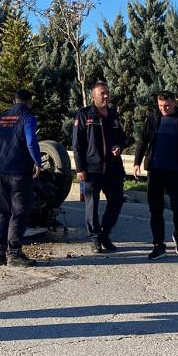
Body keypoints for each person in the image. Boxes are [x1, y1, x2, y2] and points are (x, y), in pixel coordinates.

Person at [133, 91, 178, 259]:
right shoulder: (153, 118)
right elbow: (143, 141)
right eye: (160, 106)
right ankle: (158, 245)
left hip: (175, 171)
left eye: (166, 105)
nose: (163, 109)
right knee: (155, 210)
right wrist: (137, 162)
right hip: (155, 170)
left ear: (174, 103)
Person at [0, 89, 42, 267]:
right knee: (19, 212)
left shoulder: (2, 117)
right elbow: (31, 141)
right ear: (29, 102)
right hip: (20, 173)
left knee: (5, 212)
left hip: (4, 172)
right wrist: (37, 162)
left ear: (13, 101)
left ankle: (0, 253)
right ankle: (14, 253)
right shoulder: (28, 117)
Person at [72, 81, 127, 253]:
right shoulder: (84, 115)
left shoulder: (113, 114)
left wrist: (119, 145)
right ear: (93, 96)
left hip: (113, 168)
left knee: (117, 201)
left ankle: (105, 233)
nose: (106, 96)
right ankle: (95, 238)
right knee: (92, 205)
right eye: (102, 93)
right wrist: (80, 168)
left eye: (107, 93)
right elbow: (77, 144)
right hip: (92, 169)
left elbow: (122, 137)